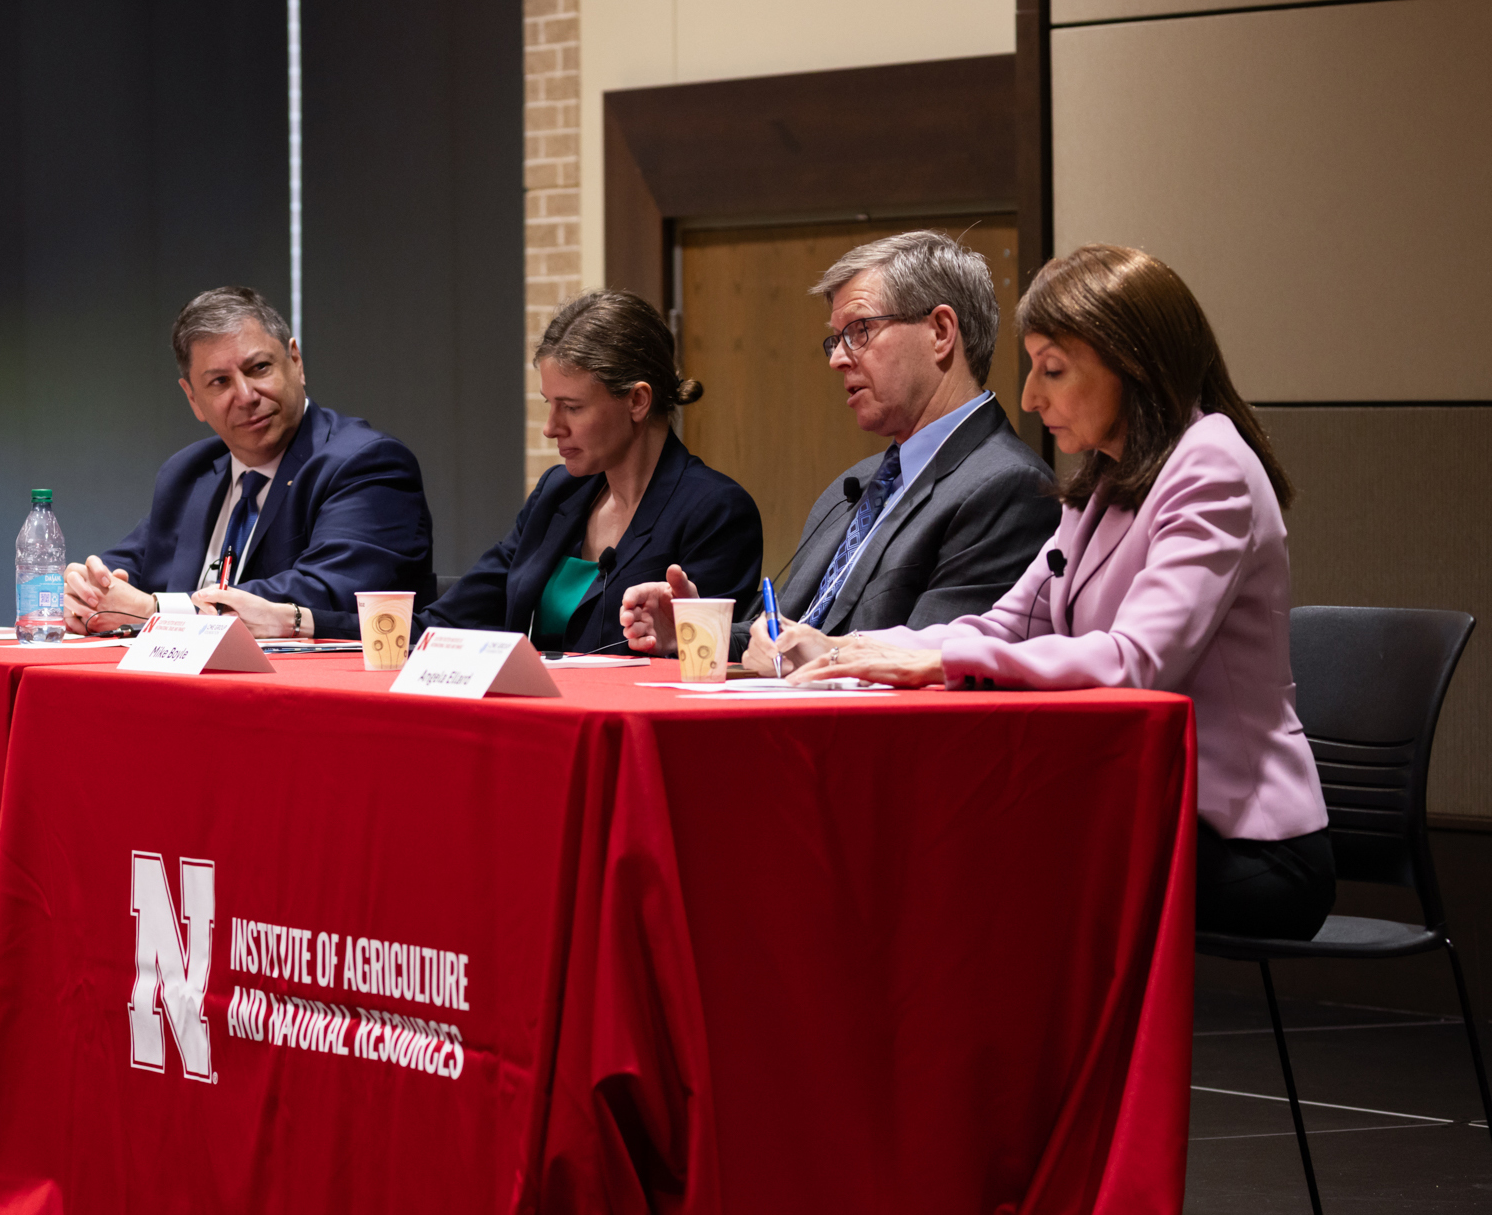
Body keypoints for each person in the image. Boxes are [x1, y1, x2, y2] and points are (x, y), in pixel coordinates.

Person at [763, 244, 1332, 939]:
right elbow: (1003, 626)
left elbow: (1138, 663)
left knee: (979, 869)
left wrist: (943, 663)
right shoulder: (1104, 478)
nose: (1031, 397)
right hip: (1142, 811)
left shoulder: (1210, 464)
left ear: (1134, 364)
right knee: (950, 853)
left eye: (1053, 370)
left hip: (1247, 841)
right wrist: (851, 649)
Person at [214, 289, 760, 650]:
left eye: (571, 407)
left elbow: (711, 663)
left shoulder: (714, 511)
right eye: (548, 403)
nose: (551, 428)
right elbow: (446, 623)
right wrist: (297, 622)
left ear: (637, 401)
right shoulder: (558, 495)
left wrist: (677, 635)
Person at [618, 231, 1056, 659]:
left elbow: (923, 666)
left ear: (940, 331)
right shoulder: (857, 484)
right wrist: (695, 630)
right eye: (836, 338)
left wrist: (816, 654)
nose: (837, 358)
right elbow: (792, 628)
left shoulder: (1010, 487)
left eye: (860, 330)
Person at [61, 287, 434, 637]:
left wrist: (155, 610)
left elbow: (325, 591)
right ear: (192, 399)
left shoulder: (365, 463)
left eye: (258, 368)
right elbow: (124, 572)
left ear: (296, 362)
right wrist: (89, 592)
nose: (245, 395)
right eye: (220, 382)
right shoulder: (190, 473)